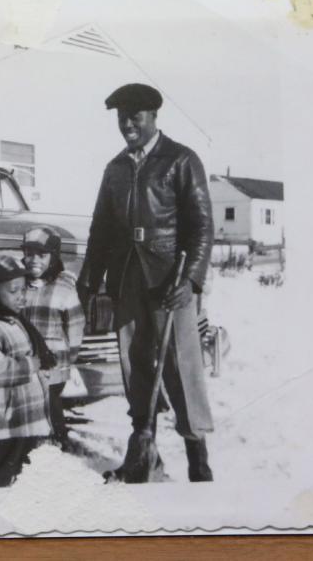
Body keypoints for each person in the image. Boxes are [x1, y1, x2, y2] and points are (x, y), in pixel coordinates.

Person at [77, 82, 215, 483]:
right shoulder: (116, 168)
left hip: (169, 279)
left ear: (154, 117)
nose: (127, 126)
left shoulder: (181, 160)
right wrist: (90, 279)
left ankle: (198, 461)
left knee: (180, 365)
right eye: (122, 119)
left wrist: (189, 280)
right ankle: (143, 450)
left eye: (134, 118)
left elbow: (203, 227)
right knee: (134, 363)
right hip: (127, 278)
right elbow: (100, 228)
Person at [0, 256, 55, 488]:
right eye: (13, 291)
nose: (21, 296)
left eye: (24, 289)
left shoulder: (14, 320)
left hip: (22, 416)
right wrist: (29, 366)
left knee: (20, 469)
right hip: (0, 421)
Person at [20, 226, 85, 448]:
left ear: (53, 257)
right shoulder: (19, 285)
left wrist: (71, 354)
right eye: (29, 254)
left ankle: (58, 439)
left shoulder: (64, 287)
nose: (34, 260)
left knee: (49, 401)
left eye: (41, 255)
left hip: (55, 360)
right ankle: (29, 441)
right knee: (29, 401)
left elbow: (76, 323)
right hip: (28, 359)